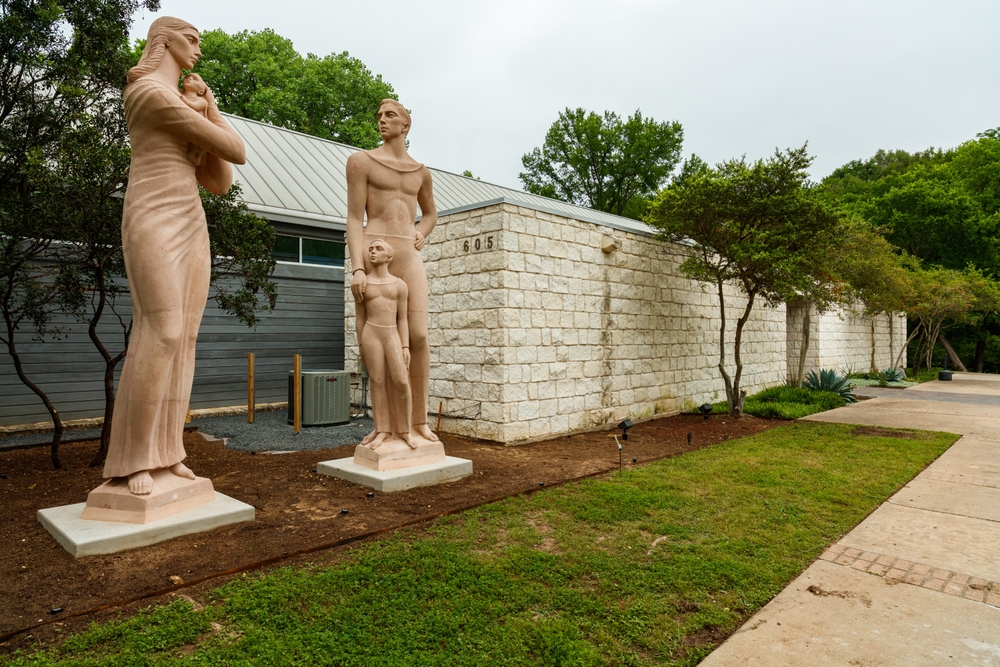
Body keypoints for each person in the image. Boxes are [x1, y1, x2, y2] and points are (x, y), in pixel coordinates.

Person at [103, 17, 246, 495]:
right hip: (152, 213)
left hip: (190, 216)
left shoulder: (181, 102)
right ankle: (133, 459)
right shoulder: (148, 93)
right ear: (164, 42)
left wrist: (208, 107)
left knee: (184, 338)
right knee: (160, 331)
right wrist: (209, 112)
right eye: (192, 39)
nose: (198, 49)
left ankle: (168, 454)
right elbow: (236, 148)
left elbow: (221, 181)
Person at [346, 99, 439, 444]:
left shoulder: (421, 172)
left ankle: (419, 422)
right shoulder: (361, 161)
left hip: (408, 253)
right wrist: (358, 267)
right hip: (375, 252)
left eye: (390, 116)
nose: (382, 121)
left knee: (418, 336)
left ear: (406, 126)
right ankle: (383, 427)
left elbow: (430, 212)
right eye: (380, 116)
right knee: (378, 339)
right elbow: (355, 217)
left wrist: (422, 232)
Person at [357, 239, 415, 449]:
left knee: (401, 380)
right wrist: (360, 346)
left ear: (389, 257)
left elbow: (403, 319)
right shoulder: (363, 284)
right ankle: (381, 429)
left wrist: (405, 346)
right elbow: (360, 318)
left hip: (392, 334)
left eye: (379, 249)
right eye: (370, 248)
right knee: (377, 381)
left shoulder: (400, 285)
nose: (373, 252)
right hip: (370, 334)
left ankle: (405, 430)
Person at [179, 72, 209, 165]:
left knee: (204, 143)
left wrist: (187, 103)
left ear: (200, 91)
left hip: (202, 128)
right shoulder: (180, 94)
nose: (189, 79)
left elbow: (196, 106)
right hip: (189, 128)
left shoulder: (201, 100)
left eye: (194, 79)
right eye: (187, 77)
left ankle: (199, 155)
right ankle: (194, 152)